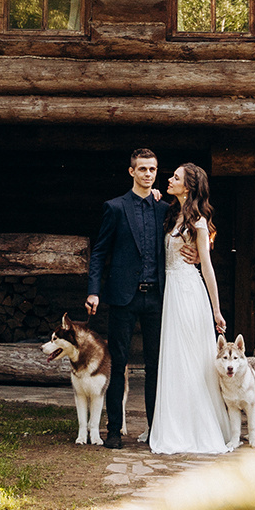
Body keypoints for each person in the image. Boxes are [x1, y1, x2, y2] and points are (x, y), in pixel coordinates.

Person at [147, 162, 238, 455]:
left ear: (188, 186)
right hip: (172, 292)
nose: (169, 179)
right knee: (174, 358)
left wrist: (217, 310)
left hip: (188, 293)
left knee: (189, 359)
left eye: (175, 177)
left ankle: (194, 429)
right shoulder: (173, 214)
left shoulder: (197, 222)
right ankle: (174, 423)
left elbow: (207, 268)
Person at [86, 148, 167, 450]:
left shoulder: (164, 209)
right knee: (118, 364)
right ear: (131, 171)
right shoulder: (115, 207)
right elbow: (100, 253)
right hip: (122, 297)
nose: (148, 174)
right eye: (143, 169)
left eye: (153, 169)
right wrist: (94, 290)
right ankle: (115, 430)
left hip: (156, 297)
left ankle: (154, 429)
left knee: (155, 365)